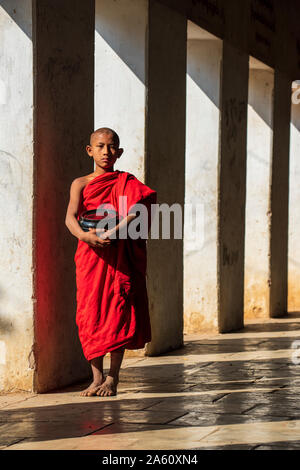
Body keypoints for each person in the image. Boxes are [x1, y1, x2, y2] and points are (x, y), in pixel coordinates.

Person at [65, 127, 157, 397]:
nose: (107, 152)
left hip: (118, 254)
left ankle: (113, 378)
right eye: (101, 146)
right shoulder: (80, 183)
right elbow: (70, 217)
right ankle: (95, 378)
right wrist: (84, 235)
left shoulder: (126, 182)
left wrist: (113, 233)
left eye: (112, 146)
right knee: (90, 312)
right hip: (90, 255)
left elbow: (138, 209)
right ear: (90, 150)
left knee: (118, 310)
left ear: (120, 151)